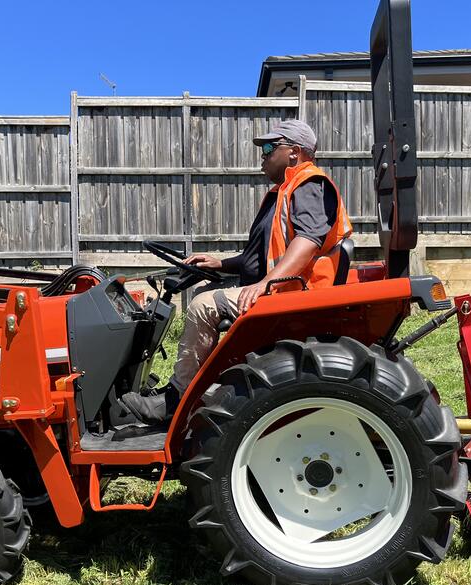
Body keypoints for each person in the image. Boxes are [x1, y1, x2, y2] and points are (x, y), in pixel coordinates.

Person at [122, 119, 353, 423]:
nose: (263, 154)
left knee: (202, 305)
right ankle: (205, 388)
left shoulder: (309, 184)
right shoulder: (283, 191)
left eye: (269, 147)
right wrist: (219, 264)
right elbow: (261, 255)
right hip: (282, 288)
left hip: (297, 294)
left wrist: (265, 284)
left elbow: (308, 241)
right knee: (206, 292)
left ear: (294, 152)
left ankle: (177, 399)